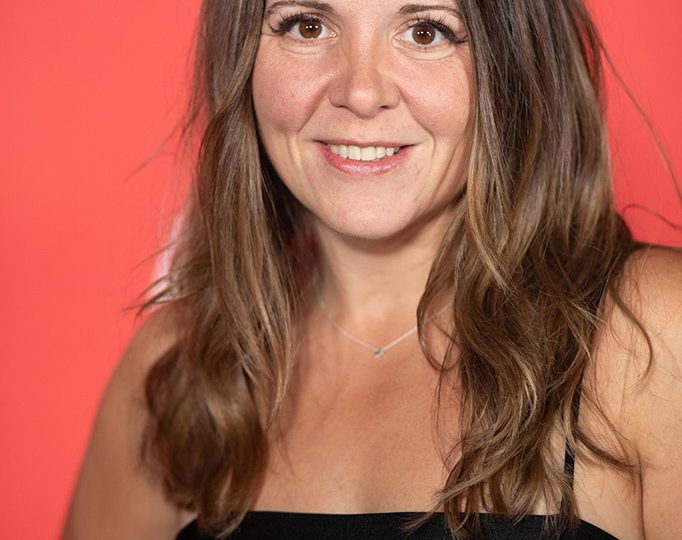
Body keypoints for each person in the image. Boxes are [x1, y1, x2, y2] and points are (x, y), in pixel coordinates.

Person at [62, 1, 682, 539]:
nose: (359, 92)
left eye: (426, 31)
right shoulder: (177, 366)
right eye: (307, 25)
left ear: (515, 64)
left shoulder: (651, 336)